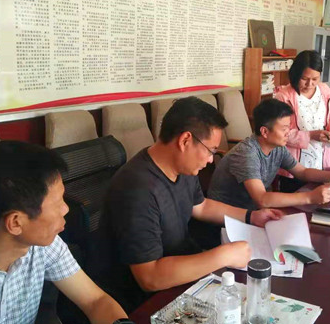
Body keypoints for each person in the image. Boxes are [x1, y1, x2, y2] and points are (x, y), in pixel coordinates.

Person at [0, 141, 161, 324]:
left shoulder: (40, 244)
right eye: (57, 202)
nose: (66, 209)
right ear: (16, 223)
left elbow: (94, 300)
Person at [100, 97, 282, 311]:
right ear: (185, 140)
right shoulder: (136, 189)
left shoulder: (182, 166)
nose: (211, 160)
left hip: (182, 271)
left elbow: (201, 206)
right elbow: (149, 277)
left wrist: (251, 216)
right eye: (211, 150)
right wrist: (223, 255)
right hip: (144, 301)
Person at [207, 99, 330, 210]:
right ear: (264, 132)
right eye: (284, 129)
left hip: (252, 211)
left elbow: (302, 172)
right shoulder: (247, 154)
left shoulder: (278, 148)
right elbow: (262, 199)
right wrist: (310, 197)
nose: (288, 133)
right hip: (227, 217)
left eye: (289, 127)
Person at [273, 50, 330, 192]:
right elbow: (279, 132)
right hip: (294, 166)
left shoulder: (324, 91)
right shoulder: (284, 97)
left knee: (320, 198)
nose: (310, 84)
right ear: (296, 74)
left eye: (315, 79)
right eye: (304, 79)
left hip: (320, 158)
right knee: (295, 200)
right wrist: (310, 135)